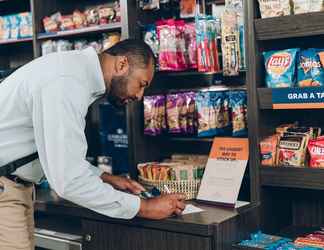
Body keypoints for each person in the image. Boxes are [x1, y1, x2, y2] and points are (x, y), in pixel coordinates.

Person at [0, 39, 186, 250]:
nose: (138, 95)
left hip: (15, 187)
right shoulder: (66, 81)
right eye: (141, 84)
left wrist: (104, 177)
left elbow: (57, 153)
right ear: (122, 64)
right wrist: (144, 207)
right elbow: (68, 180)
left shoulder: (74, 74)